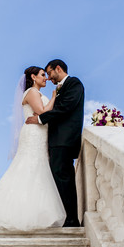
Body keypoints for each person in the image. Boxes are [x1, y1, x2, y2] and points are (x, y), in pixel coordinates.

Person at [0, 66, 66, 230]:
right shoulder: (32, 92)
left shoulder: (37, 93)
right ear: (33, 77)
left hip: (40, 133)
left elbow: (42, 115)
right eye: (43, 75)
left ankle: (34, 213)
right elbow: (42, 111)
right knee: (28, 167)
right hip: (33, 133)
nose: (46, 78)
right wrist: (54, 97)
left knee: (38, 170)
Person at [25, 59, 85, 227]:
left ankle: (71, 219)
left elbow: (66, 107)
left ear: (58, 68)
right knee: (58, 178)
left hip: (64, 139)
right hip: (56, 140)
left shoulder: (74, 83)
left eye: (50, 73)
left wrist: (41, 118)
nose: (49, 78)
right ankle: (64, 216)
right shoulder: (59, 89)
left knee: (63, 178)